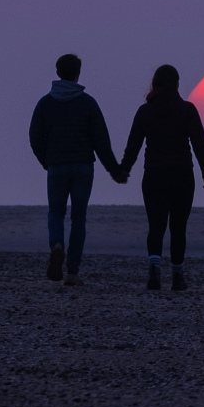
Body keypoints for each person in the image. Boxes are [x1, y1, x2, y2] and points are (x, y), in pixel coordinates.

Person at [28, 53, 126, 285]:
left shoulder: (45, 103)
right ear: (77, 73)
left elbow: (34, 136)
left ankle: (57, 245)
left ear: (58, 72)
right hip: (83, 166)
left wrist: (46, 159)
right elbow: (101, 140)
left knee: (55, 212)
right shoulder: (87, 103)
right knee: (79, 217)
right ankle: (72, 272)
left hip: (56, 166)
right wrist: (115, 170)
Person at [117, 64, 204, 291]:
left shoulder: (145, 111)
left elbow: (133, 145)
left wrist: (124, 169)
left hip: (154, 174)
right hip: (182, 175)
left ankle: (155, 271)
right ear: (177, 85)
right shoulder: (187, 110)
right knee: (178, 227)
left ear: (155, 84)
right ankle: (178, 277)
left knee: (156, 225)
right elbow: (200, 142)